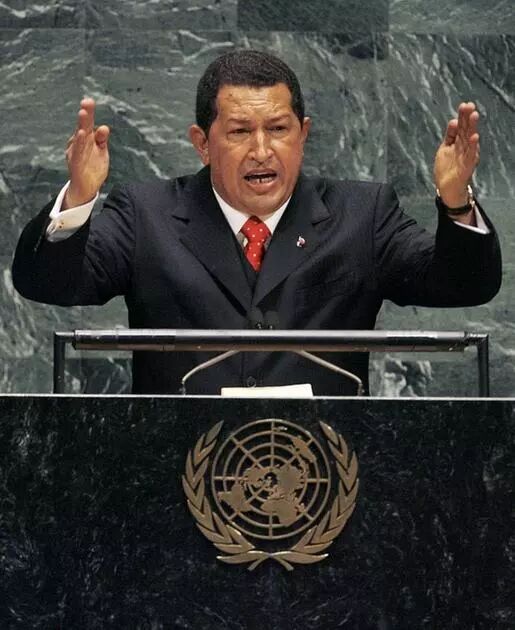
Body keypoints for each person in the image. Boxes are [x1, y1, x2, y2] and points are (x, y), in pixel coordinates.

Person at [12, 50, 501, 395]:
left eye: (278, 129)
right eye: (240, 131)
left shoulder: (362, 214)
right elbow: (48, 283)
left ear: (302, 135)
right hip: (176, 473)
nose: (262, 150)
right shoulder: (147, 214)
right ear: (202, 143)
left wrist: (456, 201)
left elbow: (463, 284)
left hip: (324, 478)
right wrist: (79, 197)